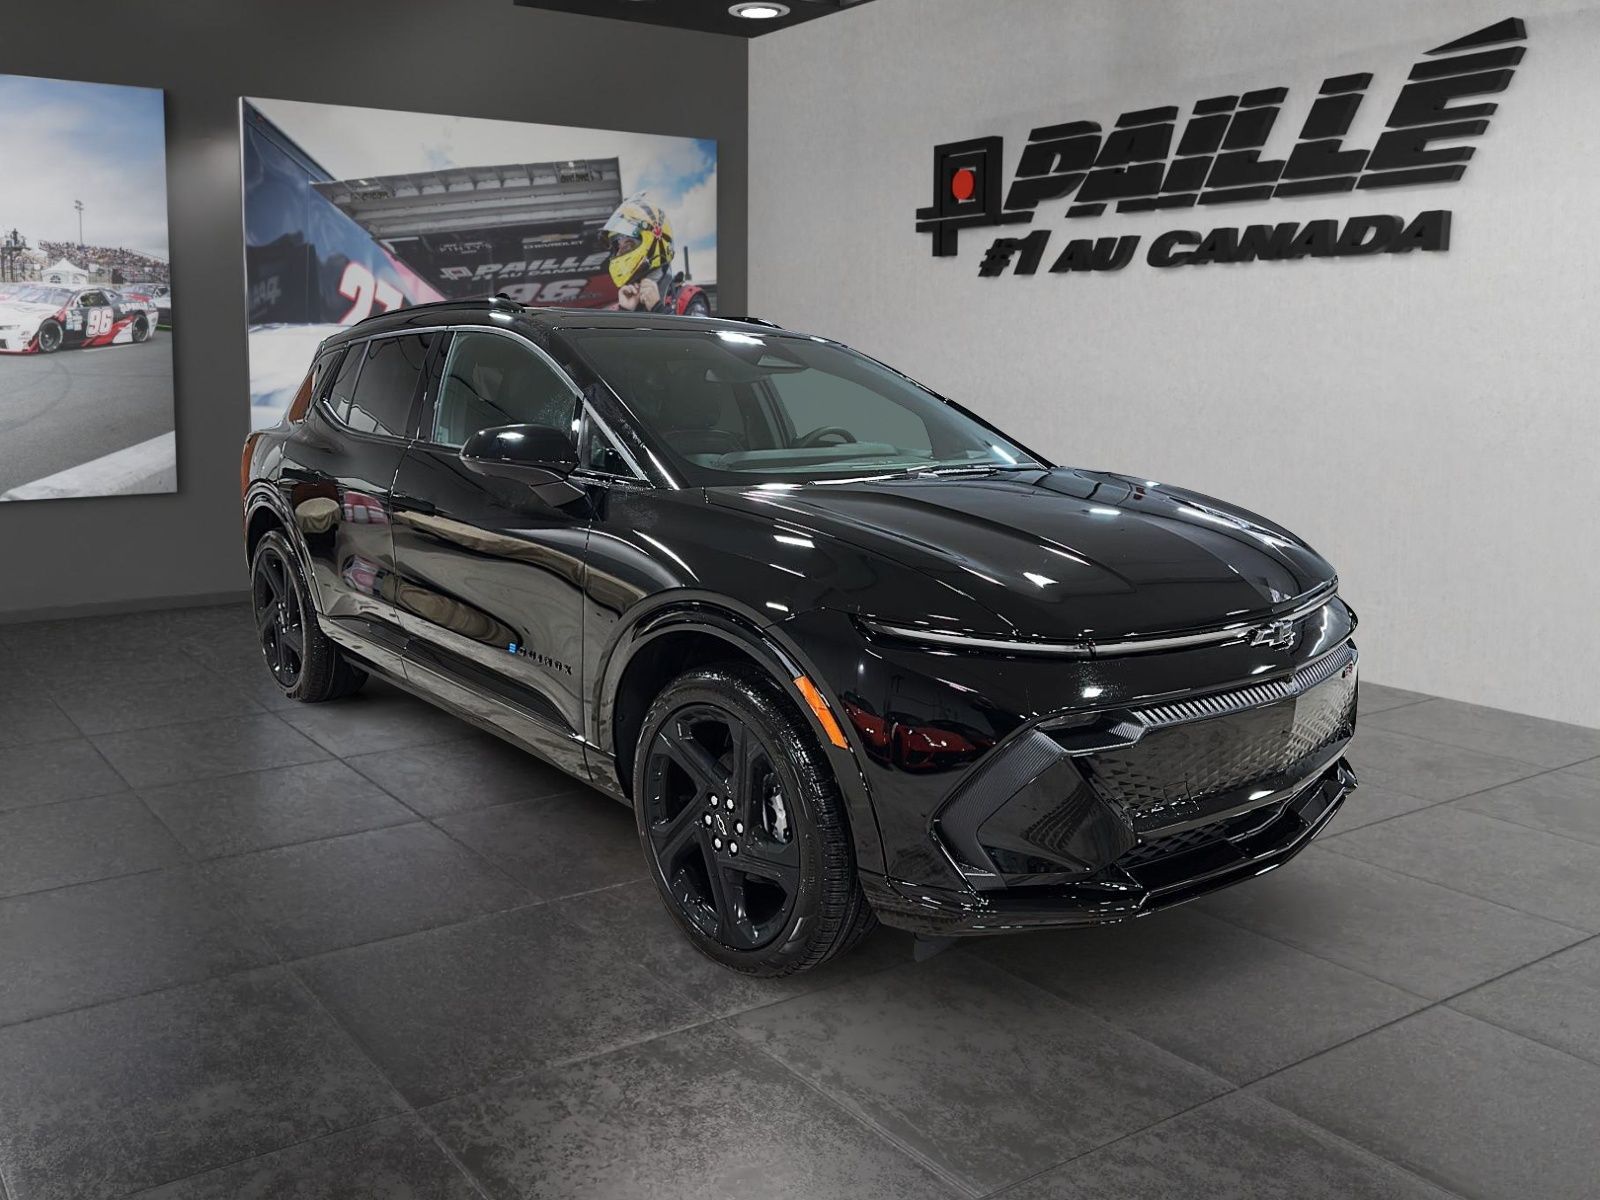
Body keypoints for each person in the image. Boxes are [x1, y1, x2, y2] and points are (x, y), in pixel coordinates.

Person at [599, 194, 679, 313]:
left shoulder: (687, 298)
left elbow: (697, 332)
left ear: (653, 240)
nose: (619, 253)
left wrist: (658, 309)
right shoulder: (621, 306)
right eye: (617, 247)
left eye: (627, 245)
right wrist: (624, 313)